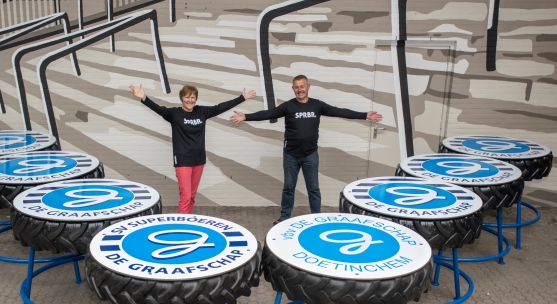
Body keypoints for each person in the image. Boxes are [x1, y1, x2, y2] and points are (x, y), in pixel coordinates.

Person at [230, 75, 383, 225]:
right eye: (296, 87)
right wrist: (246, 117)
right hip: (291, 155)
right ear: (293, 89)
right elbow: (268, 113)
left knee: (314, 189)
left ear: (308, 87)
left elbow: (339, 111)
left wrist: (364, 115)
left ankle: (316, 218)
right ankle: (284, 217)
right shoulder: (288, 106)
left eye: (302, 86)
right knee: (289, 188)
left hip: (310, 155)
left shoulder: (317, 105)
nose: (299, 90)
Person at [130, 84, 256, 214]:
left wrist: (242, 98)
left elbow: (220, 107)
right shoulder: (174, 114)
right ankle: (181, 228)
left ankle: (188, 222)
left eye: (193, 97)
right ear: (181, 98)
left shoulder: (202, 112)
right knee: (185, 196)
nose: (190, 100)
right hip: (183, 160)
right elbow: (159, 109)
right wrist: (144, 97)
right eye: (187, 97)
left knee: (191, 197)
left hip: (198, 160)